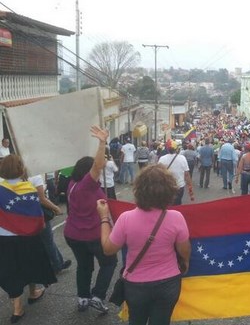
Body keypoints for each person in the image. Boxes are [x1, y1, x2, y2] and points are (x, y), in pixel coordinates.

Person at [96, 164, 191, 325]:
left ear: (139, 189)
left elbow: (108, 249)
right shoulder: (176, 217)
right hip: (168, 282)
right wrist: (186, 262)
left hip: (136, 284)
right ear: (170, 190)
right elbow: (184, 250)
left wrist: (104, 217)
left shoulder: (126, 218)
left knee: (136, 320)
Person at [64, 126, 117, 313]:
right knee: (109, 263)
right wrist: (102, 142)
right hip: (93, 234)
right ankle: (97, 296)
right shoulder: (87, 185)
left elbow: (95, 167)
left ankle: (83, 298)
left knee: (84, 266)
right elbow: (97, 166)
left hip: (73, 234)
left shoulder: (73, 183)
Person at [0, 155, 57, 323]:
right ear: (21, 168)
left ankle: (17, 309)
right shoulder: (29, 189)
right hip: (28, 236)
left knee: (10, 270)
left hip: (4, 237)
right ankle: (33, 292)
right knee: (30, 263)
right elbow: (37, 217)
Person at [26, 171, 72, 274]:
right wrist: (56, 208)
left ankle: (58, 262)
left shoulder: (11, 177)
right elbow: (42, 199)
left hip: (25, 214)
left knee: (42, 240)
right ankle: (57, 265)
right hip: (39, 213)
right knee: (48, 240)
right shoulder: (35, 175)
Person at [158, 139, 194, 205]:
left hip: (166, 186)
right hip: (179, 186)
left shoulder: (162, 159)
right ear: (176, 149)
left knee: (166, 204)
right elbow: (187, 175)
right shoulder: (182, 158)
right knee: (177, 204)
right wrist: (190, 188)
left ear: (167, 149)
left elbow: (158, 173)